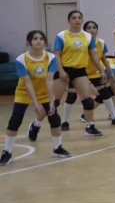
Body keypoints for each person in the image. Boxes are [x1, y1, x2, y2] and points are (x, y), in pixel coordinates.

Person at [2, 31, 70, 166]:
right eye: (35, 39)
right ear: (29, 42)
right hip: (24, 93)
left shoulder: (51, 57)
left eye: (41, 39)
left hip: (44, 92)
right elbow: (27, 83)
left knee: (54, 118)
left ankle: (57, 148)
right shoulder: (22, 59)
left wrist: (52, 101)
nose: (39, 41)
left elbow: (49, 80)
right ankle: (7, 152)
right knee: (15, 120)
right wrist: (36, 103)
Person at [49, 9, 106, 136]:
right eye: (74, 18)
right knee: (54, 102)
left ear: (82, 20)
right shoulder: (61, 35)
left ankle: (90, 127)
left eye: (79, 18)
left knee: (88, 101)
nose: (77, 20)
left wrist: (102, 70)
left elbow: (94, 55)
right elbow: (56, 54)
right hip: (64, 69)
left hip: (80, 70)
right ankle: (36, 124)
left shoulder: (87, 36)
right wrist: (61, 71)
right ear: (69, 21)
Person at [82, 20, 115, 125]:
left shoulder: (101, 42)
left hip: (96, 73)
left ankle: (114, 116)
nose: (92, 30)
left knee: (105, 93)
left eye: (94, 28)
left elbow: (104, 59)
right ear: (84, 30)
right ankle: (67, 121)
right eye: (89, 28)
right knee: (72, 97)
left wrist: (109, 72)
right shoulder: (82, 43)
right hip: (82, 74)